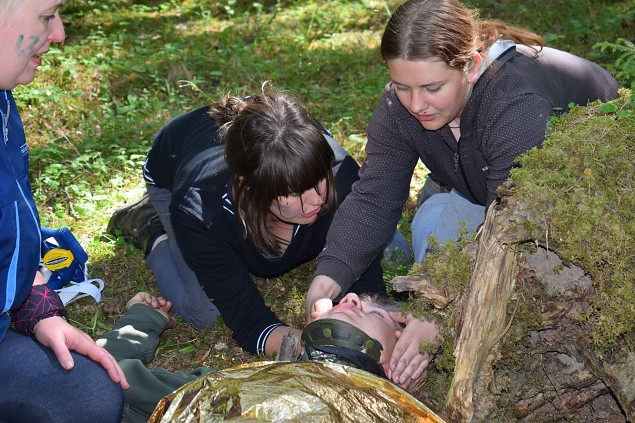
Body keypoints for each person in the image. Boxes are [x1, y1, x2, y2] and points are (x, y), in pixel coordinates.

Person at [306, 0, 620, 386]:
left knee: (523, 288)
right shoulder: (400, 107)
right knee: (438, 239)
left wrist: (441, 307)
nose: (416, 104)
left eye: (432, 88)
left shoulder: (515, 106)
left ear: (470, 66)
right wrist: (328, 277)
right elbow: (375, 197)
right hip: (492, 194)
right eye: (401, 86)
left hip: (579, 197)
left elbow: (514, 233)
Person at [107, 89, 413, 361]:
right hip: (171, 171)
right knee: (206, 313)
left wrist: (380, 327)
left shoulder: (339, 175)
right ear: (249, 187)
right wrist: (314, 349)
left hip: (260, 149)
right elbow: (247, 320)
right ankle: (151, 226)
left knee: (392, 248)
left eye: (318, 181)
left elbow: (365, 273)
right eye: (292, 194)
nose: (315, 202)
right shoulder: (200, 211)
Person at [0, 1, 128, 422]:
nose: (59, 34)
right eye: (46, 15)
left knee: (89, 397)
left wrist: (38, 309)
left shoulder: (3, 100)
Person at [97, 291, 439, 422]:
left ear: (396, 365)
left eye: (373, 313)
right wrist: (143, 318)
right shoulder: (228, 389)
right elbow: (102, 378)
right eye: (352, 301)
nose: (350, 297)